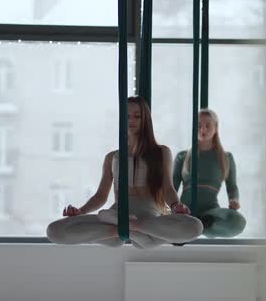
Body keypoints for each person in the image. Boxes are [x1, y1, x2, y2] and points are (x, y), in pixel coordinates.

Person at [47, 96, 203, 248]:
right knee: (54, 231)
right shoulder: (112, 157)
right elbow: (100, 196)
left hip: (149, 220)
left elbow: (168, 188)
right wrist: (80, 211)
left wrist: (176, 205)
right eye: (127, 116)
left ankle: (129, 227)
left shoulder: (161, 152)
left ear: (145, 120)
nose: (131, 120)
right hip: (118, 215)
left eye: (137, 116)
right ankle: (126, 229)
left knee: (195, 227)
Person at [173, 108, 246, 238]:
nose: (203, 129)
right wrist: (168, 208)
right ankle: (194, 226)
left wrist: (234, 200)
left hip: (211, 213)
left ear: (216, 128)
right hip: (185, 211)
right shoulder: (182, 156)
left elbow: (232, 187)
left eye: (207, 125)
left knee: (237, 221)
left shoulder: (226, 158)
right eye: (199, 126)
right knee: (169, 221)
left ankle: (198, 226)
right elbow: (172, 186)